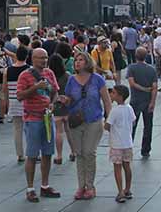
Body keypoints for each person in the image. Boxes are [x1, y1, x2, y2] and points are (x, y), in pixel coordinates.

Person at [62, 51, 111, 200]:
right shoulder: (71, 80)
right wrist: (64, 101)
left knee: (89, 152)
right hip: (76, 120)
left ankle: (90, 186)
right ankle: (81, 186)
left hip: (94, 120)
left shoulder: (97, 80)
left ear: (87, 62)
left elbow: (106, 100)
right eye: (76, 60)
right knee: (79, 153)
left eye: (81, 60)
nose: (77, 62)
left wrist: (110, 119)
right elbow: (69, 98)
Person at [16, 47, 60, 203]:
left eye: (46, 57)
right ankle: (30, 188)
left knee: (48, 153)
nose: (44, 60)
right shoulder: (25, 75)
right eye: (41, 58)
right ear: (32, 59)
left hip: (47, 118)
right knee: (32, 154)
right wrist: (35, 88)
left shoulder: (50, 73)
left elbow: (55, 92)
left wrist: (53, 104)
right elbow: (20, 96)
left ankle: (45, 185)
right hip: (33, 118)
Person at [107, 84, 136, 203]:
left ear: (119, 96)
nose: (111, 95)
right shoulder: (129, 108)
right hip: (128, 142)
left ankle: (120, 192)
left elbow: (107, 126)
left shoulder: (114, 110)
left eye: (113, 93)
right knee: (127, 166)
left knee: (117, 167)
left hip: (116, 144)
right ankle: (128, 189)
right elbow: (133, 121)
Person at [127, 46, 158, 158]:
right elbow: (155, 87)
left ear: (135, 56)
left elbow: (132, 83)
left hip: (135, 101)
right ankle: (145, 149)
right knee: (148, 126)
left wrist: (142, 88)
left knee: (132, 125)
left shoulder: (131, 68)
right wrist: (153, 102)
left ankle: (128, 147)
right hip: (148, 100)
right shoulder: (152, 69)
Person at [5, 45, 30, 163]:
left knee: (17, 128)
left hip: (13, 100)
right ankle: (32, 152)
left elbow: (5, 88)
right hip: (27, 101)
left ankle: (20, 154)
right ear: (27, 56)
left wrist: (6, 101)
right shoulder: (29, 70)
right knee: (30, 128)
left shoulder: (8, 70)